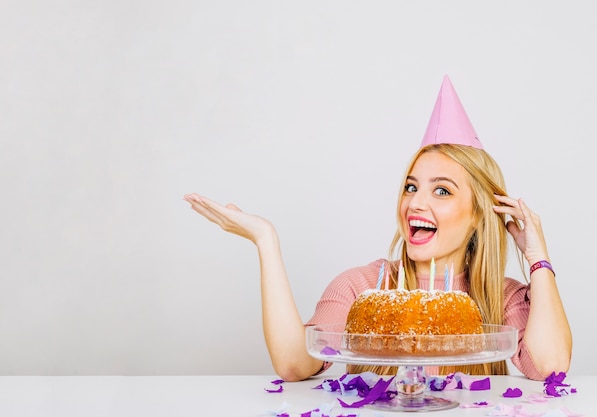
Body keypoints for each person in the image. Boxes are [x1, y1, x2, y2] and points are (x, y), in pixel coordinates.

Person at [183, 76, 572, 382]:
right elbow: (293, 364)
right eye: (410, 187)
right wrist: (265, 240)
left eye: (442, 190)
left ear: (478, 214)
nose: (416, 203)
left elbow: (551, 366)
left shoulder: (501, 298)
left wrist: (538, 259)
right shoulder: (361, 289)